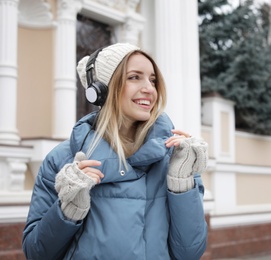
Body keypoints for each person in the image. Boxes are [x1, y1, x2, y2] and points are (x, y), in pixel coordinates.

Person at [22, 43, 208, 259]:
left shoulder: (177, 158)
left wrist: (181, 183)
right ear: (100, 91)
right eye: (134, 77)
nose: (149, 88)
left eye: (152, 80)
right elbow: (36, 253)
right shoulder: (62, 160)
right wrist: (69, 208)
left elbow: (190, 253)